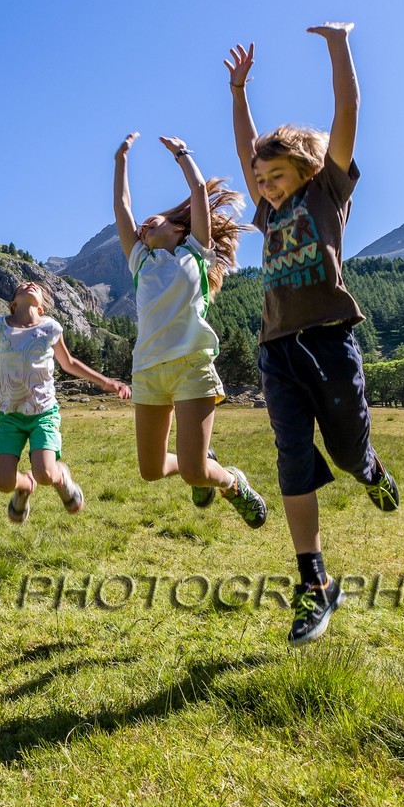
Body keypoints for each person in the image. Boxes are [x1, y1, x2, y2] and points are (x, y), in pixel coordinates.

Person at [226, 25, 401, 647]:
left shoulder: (328, 189)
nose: (265, 187)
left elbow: (347, 110)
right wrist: (238, 88)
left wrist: (339, 43)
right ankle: (315, 583)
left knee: (349, 453)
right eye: (260, 179)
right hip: (277, 349)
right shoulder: (268, 210)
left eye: (274, 176)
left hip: (329, 341)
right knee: (293, 459)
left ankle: (371, 470)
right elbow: (248, 143)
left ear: (302, 168)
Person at [112, 132, 268, 529]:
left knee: (196, 473)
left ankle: (232, 483)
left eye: (155, 220)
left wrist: (182, 154)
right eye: (143, 224)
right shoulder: (140, 263)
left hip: (190, 365)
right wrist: (121, 160)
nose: (145, 224)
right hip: (148, 370)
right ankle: (203, 464)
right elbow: (122, 206)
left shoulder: (194, 252)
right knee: (150, 469)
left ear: (180, 230)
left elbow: (199, 189)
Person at [0, 280, 130, 522]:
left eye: (36, 287)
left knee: (45, 473)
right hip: (10, 416)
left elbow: (70, 363)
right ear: (13, 303)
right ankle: (24, 486)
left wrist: (107, 382)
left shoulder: (51, 328)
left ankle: (61, 477)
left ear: (42, 307)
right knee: (3, 483)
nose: (30, 284)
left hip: (43, 413)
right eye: (23, 285)